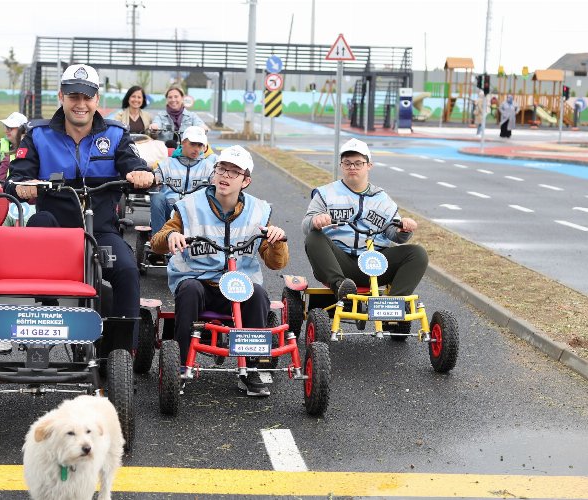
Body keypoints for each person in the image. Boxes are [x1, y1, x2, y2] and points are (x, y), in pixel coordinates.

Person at [6, 63, 154, 324]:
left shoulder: (115, 134)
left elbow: (133, 164)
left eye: (87, 97)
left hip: (101, 231)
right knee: (38, 222)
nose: (81, 104)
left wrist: (141, 174)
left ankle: (121, 351)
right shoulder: (37, 134)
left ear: (97, 99)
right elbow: (15, 179)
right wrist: (21, 185)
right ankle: (47, 314)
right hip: (55, 230)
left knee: (129, 270)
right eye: (74, 96)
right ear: (61, 96)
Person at [150, 146, 288, 397]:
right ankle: (180, 366)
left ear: (246, 181)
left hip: (238, 286)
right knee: (188, 290)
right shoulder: (189, 205)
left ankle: (251, 369)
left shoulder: (259, 210)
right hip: (200, 283)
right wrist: (171, 235)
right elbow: (158, 240)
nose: (225, 176)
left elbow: (276, 263)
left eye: (234, 172)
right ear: (214, 173)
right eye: (221, 169)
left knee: (258, 295)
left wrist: (277, 242)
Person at [302, 138, 428, 308]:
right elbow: (305, 225)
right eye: (347, 163)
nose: (352, 167)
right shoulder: (325, 193)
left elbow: (395, 235)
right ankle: (342, 289)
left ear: (369, 165)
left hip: (375, 263)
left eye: (358, 163)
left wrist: (403, 229)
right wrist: (315, 221)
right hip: (340, 262)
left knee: (417, 253)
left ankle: (393, 306)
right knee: (313, 238)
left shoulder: (382, 199)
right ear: (341, 166)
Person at [149, 125, 216, 236]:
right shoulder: (166, 164)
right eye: (193, 144)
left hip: (196, 212)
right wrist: (154, 180)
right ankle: (159, 240)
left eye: (200, 145)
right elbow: (155, 179)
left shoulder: (209, 167)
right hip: (169, 209)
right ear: (183, 142)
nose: (196, 149)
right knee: (157, 196)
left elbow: (216, 183)